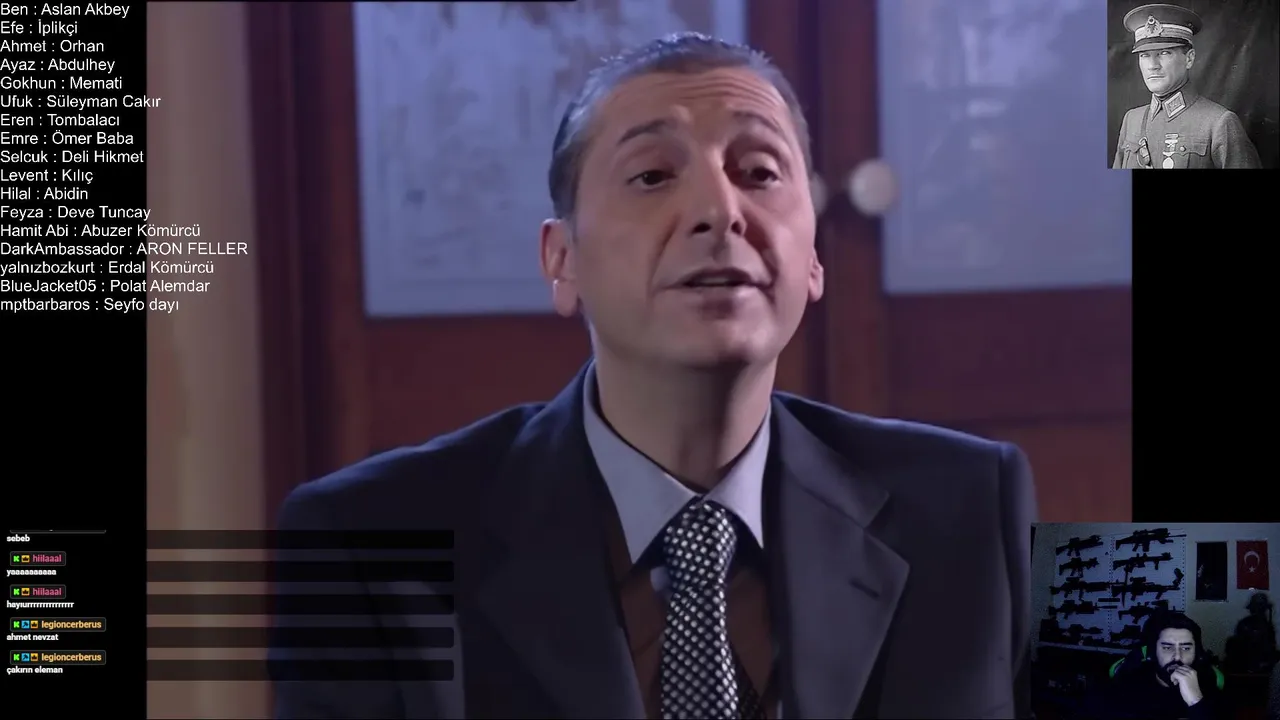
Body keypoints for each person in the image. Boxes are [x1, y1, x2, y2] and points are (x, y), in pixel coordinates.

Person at [271, 32, 1037, 719]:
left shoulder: (982, 500)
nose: (719, 210)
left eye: (758, 171)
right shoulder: (365, 541)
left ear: (812, 259)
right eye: (651, 175)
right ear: (561, 260)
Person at [1111, 3, 1261, 169]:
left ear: (1189, 58)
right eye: (1145, 55)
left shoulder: (1219, 123)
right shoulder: (1131, 120)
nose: (1152, 66)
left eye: (1164, 53)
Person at [1078, 612, 1228, 719]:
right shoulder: (1125, 687)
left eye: (1186, 648)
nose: (1177, 656)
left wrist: (1196, 702)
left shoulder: (1210, 689)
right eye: (1167, 647)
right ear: (1152, 652)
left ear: (1197, 653)